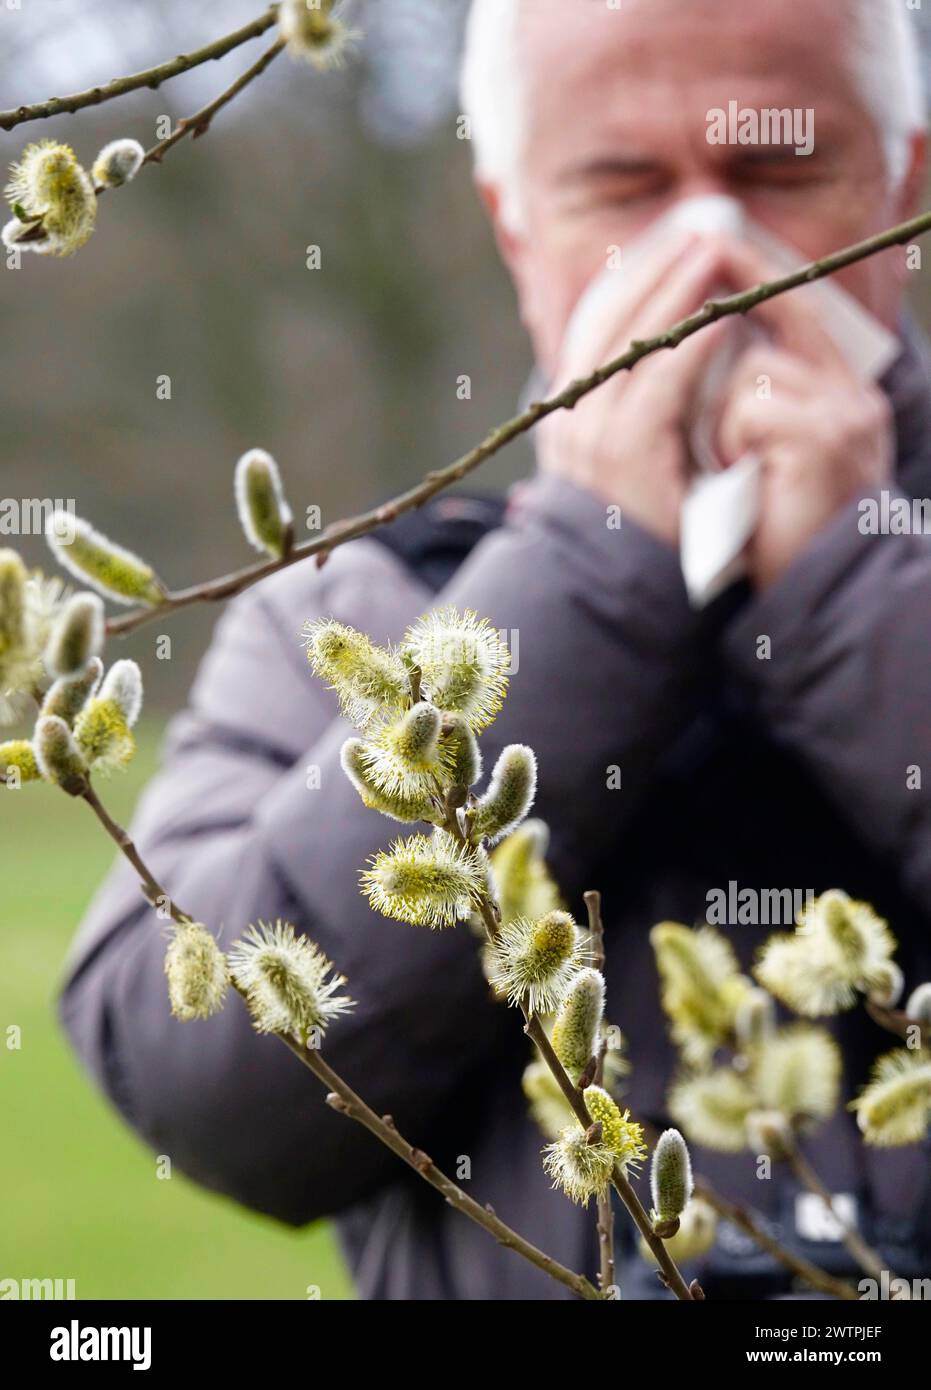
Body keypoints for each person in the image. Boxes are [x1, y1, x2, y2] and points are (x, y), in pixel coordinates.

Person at [60, 0, 931, 1299]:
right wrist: (591, 586)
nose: (711, 257)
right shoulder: (348, 615)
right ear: (517, 224)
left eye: (778, 170)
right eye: (626, 185)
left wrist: (852, 585)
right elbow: (204, 1084)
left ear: (905, 182)